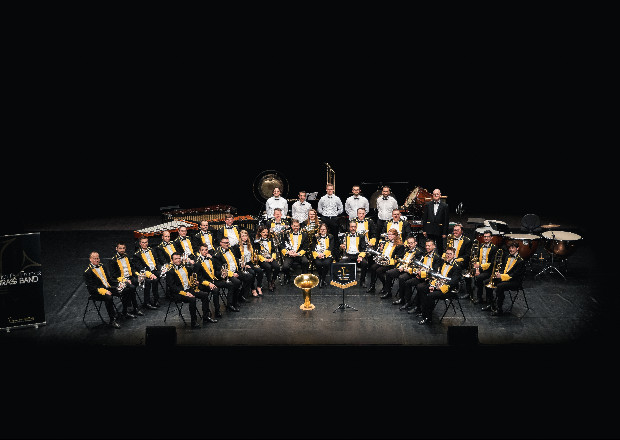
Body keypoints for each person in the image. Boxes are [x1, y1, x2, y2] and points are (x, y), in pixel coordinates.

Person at [416, 246, 463, 325]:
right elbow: (438, 276)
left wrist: (439, 288)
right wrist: (433, 285)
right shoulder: (443, 263)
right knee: (421, 288)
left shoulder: (457, 267)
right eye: (447, 253)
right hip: (439, 285)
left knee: (430, 295)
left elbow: (453, 282)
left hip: (450, 290)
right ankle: (423, 311)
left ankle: (428, 317)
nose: (448, 255)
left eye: (450, 254)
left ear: (454, 255)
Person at [482, 240, 525, 316]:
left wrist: (501, 276)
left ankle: (499, 309)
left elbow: (514, 275)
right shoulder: (507, 257)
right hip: (505, 278)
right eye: (510, 248)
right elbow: (503, 268)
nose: (511, 250)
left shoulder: (520, 261)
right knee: (487, 282)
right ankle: (492, 304)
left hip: (515, 281)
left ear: (517, 249)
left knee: (500, 286)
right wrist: (498, 273)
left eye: (513, 248)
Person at [400, 238, 442, 313]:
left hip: (430, 279)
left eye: (429, 246)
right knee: (408, 283)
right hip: (422, 276)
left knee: (420, 287)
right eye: (426, 245)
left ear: (434, 247)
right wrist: (417, 271)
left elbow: (434, 272)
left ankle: (418, 307)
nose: (427, 247)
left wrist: (422, 274)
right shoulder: (424, 255)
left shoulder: (437, 258)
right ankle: (408, 302)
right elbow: (419, 266)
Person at [213, 235, 253, 310]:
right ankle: (231, 304)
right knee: (236, 282)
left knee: (249, 276)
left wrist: (241, 263)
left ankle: (240, 296)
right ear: (220, 243)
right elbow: (220, 269)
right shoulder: (217, 255)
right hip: (227, 274)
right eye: (225, 243)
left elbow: (234, 259)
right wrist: (231, 274)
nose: (227, 244)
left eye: (228, 242)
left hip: (236, 270)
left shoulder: (231, 249)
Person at [83, 251, 121, 328]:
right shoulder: (87, 272)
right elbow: (92, 288)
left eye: (97, 258)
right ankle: (112, 320)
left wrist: (119, 284)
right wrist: (105, 291)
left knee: (124, 289)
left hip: (107, 287)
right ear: (90, 259)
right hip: (97, 293)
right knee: (108, 297)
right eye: (94, 259)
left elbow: (109, 280)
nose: (97, 260)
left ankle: (124, 311)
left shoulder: (102, 266)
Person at [108, 241, 143, 319]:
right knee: (131, 288)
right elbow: (113, 276)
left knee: (144, 280)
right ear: (116, 249)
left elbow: (132, 268)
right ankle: (134, 308)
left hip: (130, 277)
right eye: (120, 248)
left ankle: (137, 305)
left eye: (123, 248)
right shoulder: (113, 260)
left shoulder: (126, 256)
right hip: (121, 280)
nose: (122, 250)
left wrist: (138, 275)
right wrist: (124, 280)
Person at [166, 251, 202, 328]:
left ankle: (206, 316)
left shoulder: (184, 267)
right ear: (172, 260)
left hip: (188, 289)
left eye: (179, 258)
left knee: (204, 294)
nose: (178, 260)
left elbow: (191, 276)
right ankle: (193, 322)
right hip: (178, 293)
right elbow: (172, 287)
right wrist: (185, 294)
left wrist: (195, 281)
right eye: (176, 259)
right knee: (192, 299)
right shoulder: (170, 272)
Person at [366, 228, 405, 295]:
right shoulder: (386, 242)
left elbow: (398, 258)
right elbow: (384, 252)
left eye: (391, 235)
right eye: (388, 234)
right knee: (373, 267)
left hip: (391, 263)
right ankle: (372, 286)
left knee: (379, 271)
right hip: (384, 260)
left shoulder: (400, 245)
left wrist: (387, 262)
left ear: (395, 235)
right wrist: (381, 251)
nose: (388, 236)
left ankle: (386, 287)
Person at [387, 235, 424, 305]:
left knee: (402, 278)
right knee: (389, 273)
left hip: (410, 271)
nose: (410, 245)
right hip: (403, 268)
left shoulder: (419, 252)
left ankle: (403, 299)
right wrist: (401, 266)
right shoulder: (406, 249)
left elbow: (417, 266)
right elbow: (402, 260)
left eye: (411, 243)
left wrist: (406, 269)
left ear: (415, 243)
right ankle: (388, 292)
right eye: (408, 243)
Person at [192, 244, 223, 322]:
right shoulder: (197, 263)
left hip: (213, 280)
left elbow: (216, 270)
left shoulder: (211, 259)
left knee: (229, 284)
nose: (205, 252)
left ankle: (218, 310)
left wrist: (222, 274)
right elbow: (198, 278)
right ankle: (216, 311)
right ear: (199, 251)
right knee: (215, 290)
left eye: (206, 250)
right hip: (203, 284)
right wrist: (208, 283)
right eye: (203, 250)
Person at [472, 230, 500, 307]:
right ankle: (478, 297)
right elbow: (477, 259)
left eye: (488, 237)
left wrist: (480, 267)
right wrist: (477, 269)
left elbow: (492, 263)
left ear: (491, 238)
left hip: (489, 270)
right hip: (480, 268)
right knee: (473, 274)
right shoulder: (481, 246)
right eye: (485, 236)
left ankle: (486, 298)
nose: (486, 238)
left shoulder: (494, 248)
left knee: (479, 278)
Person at [445, 223, 473, 300]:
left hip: (462, 262)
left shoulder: (467, 241)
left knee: (455, 267)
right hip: (451, 259)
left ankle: (454, 288)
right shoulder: (450, 238)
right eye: (454, 230)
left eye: (457, 230)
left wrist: (456, 259)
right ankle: (444, 287)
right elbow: (447, 249)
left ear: (462, 231)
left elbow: (468, 255)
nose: (455, 232)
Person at [132, 236, 161, 310]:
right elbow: (140, 268)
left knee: (166, 273)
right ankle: (148, 302)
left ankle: (165, 296)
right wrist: (150, 274)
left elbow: (157, 261)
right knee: (153, 280)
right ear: (140, 244)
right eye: (143, 242)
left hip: (154, 270)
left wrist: (160, 270)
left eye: (146, 242)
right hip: (146, 272)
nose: (145, 244)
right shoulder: (137, 254)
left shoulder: (152, 250)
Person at [339, 220, 369, 286]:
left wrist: (360, 256)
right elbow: (340, 246)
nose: (353, 228)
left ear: (356, 227)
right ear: (349, 227)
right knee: (340, 263)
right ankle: (345, 281)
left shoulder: (361, 236)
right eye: (352, 227)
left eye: (354, 227)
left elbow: (364, 249)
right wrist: (341, 247)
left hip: (357, 255)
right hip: (348, 254)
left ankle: (362, 281)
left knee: (364, 263)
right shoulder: (345, 235)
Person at [280, 219, 310, 284]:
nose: (295, 227)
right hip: (289, 254)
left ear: (299, 226)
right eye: (294, 226)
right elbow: (282, 246)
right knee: (285, 267)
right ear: (291, 226)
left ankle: (304, 277)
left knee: (305, 262)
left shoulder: (304, 235)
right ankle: (288, 276)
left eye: (297, 226)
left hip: (299, 254)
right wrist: (288, 252)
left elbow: (305, 247)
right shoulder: (286, 234)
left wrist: (298, 254)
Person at [422, 188, 449, 256]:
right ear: (432, 195)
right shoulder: (428, 205)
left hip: (439, 230)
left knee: (440, 247)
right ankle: (428, 259)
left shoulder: (445, 206)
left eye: (437, 194)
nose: (436, 195)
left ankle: (440, 261)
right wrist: (424, 230)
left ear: (440, 195)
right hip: (429, 229)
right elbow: (425, 218)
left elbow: (446, 220)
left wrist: (445, 232)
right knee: (429, 246)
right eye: (434, 194)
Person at [317, 183, 343, 248]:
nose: (330, 191)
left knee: (335, 235)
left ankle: (335, 251)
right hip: (325, 218)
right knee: (324, 234)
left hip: (334, 218)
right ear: (326, 190)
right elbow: (319, 208)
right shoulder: (322, 198)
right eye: (328, 189)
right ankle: (324, 248)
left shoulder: (337, 198)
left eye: (331, 189)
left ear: (333, 190)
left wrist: (336, 214)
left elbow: (341, 208)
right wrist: (323, 213)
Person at [255, 225, 281, 292]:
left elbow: (273, 250)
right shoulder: (257, 242)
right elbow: (256, 253)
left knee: (277, 267)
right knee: (268, 267)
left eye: (266, 232)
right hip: (262, 259)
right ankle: (269, 283)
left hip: (270, 257)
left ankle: (273, 281)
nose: (265, 234)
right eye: (263, 232)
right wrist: (265, 260)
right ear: (260, 233)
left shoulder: (271, 240)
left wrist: (272, 258)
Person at [238, 229, 264, 297]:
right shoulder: (237, 246)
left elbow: (252, 255)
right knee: (252, 273)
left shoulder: (250, 244)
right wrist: (244, 265)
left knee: (260, 271)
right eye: (243, 236)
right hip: (243, 264)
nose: (244, 238)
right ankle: (253, 289)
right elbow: (237, 258)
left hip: (250, 263)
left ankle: (259, 287)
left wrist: (255, 258)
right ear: (240, 237)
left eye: (246, 236)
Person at [310, 222, 335, 288]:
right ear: (319, 230)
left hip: (327, 255)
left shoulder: (331, 237)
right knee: (318, 263)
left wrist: (324, 254)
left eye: (324, 229)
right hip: (317, 254)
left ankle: (321, 279)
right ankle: (322, 279)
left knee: (326, 263)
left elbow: (331, 248)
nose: (323, 231)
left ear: (326, 230)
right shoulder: (315, 237)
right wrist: (318, 255)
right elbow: (312, 248)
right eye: (321, 229)